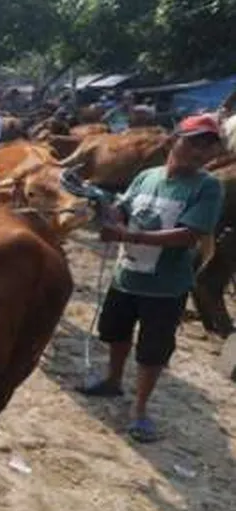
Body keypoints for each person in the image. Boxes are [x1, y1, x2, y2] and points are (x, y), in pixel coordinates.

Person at [77, 114, 224, 443]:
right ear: (173, 141)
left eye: (208, 146)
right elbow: (124, 209)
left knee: (153, 349)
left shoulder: (207, 187)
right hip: (126, 276)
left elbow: (190, 234)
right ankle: (113, 380)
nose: (200, 152)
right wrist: (105, 209)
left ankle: (140, 409)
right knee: (115, 332)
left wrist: (128, 236)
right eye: (194, 143)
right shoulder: (147, 177)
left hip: (165, 287)